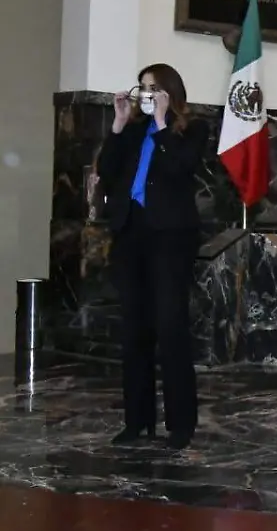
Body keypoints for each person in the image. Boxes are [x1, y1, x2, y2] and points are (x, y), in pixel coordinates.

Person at [97, 63, 209, 450]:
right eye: (141, 88)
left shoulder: (192, 129)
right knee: (134, 330)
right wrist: (118, 125)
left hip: (171, 238)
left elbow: (181, 168)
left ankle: (181, 425)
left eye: (152, 88)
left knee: (170, 326)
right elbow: (106, 169)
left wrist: (162, 124)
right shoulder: (132, 130)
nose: (144, 95)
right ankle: (137, 421)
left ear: (169, 92)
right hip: (131, 234)